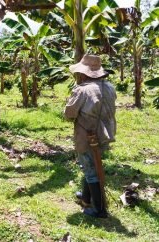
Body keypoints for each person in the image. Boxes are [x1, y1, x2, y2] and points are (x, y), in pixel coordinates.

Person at [64, 54, 117, 218]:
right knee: (93, 165)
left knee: (90, 169)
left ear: (83, 73)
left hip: (87, 136)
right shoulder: (109, 87)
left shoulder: (82, 90)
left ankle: (99, 209)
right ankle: (86, 198)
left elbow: (69, 114)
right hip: (105, 134)